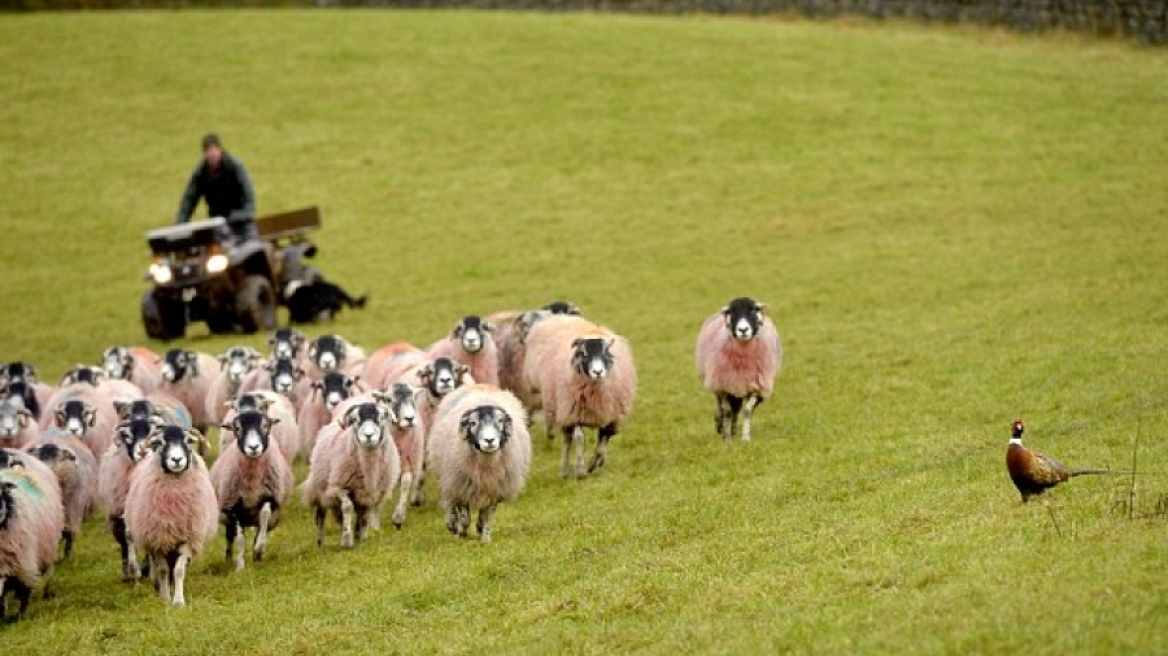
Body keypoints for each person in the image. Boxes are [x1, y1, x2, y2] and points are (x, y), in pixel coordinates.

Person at [175, 133, 257, 241]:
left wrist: (245, 214)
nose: (212, 155)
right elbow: (189, 199)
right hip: (218, 223)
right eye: (209, 152)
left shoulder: (234, 167)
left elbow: (248, 194)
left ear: (220, 150)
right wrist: (181, 223)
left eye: (214, 150)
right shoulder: (201, 173)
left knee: (251, 245)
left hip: (240, 221)